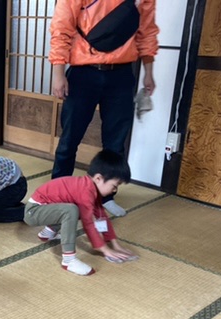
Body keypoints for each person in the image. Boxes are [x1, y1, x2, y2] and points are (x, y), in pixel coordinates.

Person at [49, 0, 159, 217]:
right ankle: (58, 195)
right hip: (83, 73)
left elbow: (146, 31)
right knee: (69, 140)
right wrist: (58, 73)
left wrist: (148, 72)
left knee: (115, 143)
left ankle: (105, 197)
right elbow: (62, 28)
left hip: (122, 74)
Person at [24, 149, 137, 276]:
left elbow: (102, 217)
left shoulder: (92, 190)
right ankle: (69, 261)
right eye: (114, 186)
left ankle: (48, 233)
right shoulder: (85, 191)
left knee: (76, 210)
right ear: (98, 178)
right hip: (34, 212)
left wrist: (114, 244)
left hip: (45, 209)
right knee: (72, 210)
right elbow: (88, 224)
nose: (114, 190)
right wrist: (104, 249)